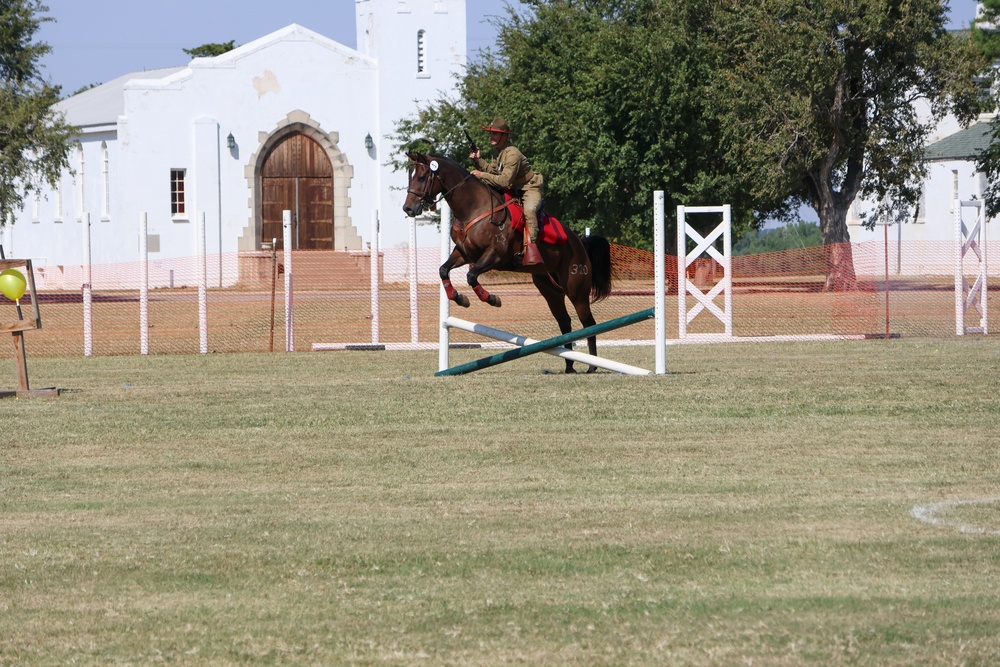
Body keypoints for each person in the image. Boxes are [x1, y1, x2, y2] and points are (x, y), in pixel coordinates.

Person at [470, 117, 544, 266]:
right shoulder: (499, 152)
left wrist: (481, 175)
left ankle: (532, 248)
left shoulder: (512, 154)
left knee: (529, 210)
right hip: (515, 189)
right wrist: (479, 161)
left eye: (495, 134)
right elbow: (494, 171)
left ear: (505, 135)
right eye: (490, 133)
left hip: (530, 188)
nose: (491, 136)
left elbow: (504, 181)